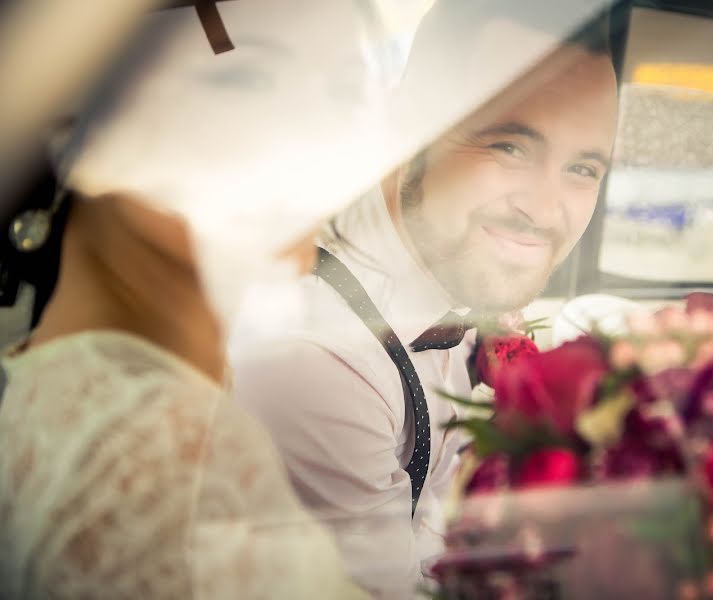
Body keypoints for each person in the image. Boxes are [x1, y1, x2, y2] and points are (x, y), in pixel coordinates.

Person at [230, 1, 620, 596]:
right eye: (509, 147)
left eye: (583, 168)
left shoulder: (453, 270)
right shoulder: (318, 354)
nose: (543, 211)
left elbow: (432, 531)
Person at [0, 2, 378, 598]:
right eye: (245, 78)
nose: (314, 137)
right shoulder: (169, 446)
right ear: (79, 119)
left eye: (344, 93)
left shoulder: (49, 384)